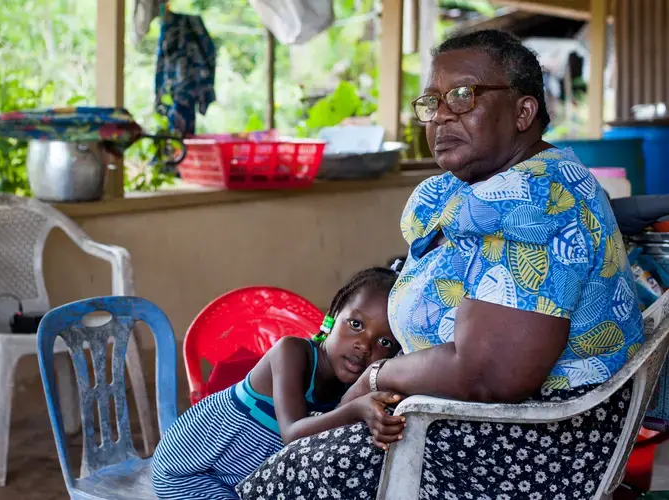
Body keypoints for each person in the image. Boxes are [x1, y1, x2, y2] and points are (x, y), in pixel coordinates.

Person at [238, 30, 644, 499]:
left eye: (463, 95)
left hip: (530, 446)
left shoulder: (538, 203)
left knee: (288, 478)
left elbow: (490, 375)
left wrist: (378, 376)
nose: (442, 114)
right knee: (288, 452)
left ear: (523, 112)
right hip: (480, 425)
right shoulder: (491, 189)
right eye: (432, 101)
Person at [151, 267, 403, 499]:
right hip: (188, 471)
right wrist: (356, 409)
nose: (365, 346)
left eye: (385, 342)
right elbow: (292, 434)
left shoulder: (350, 384)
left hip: (235, 480)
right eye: (356, 324)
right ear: (334, 315)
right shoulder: (292, 352)